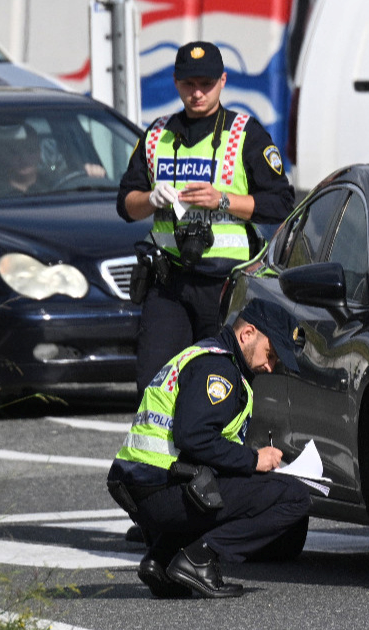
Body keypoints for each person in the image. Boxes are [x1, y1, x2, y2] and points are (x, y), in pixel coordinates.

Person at [118, 41, 294, 391]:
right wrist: (152, 199)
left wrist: (222, 200)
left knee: (217, 385)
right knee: (155, 384)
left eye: (206, 84)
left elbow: (281, 203)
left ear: (223, 81)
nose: (197, 93)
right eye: (188, 84)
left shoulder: (245, 133)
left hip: (223, 285)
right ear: (175, 82)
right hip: (168, 281)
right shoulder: (157, 135)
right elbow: (126, 205)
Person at [105, 298, 311, 599]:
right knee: (294, 497)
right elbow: (193, 436)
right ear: (247, 334)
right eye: (271, 353)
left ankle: (162, 560)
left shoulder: (204, 355)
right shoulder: (219, 370)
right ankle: (200, 559)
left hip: (146, 487)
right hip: (162, 488)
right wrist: (253, 459)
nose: (270, 366)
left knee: (228, 483)